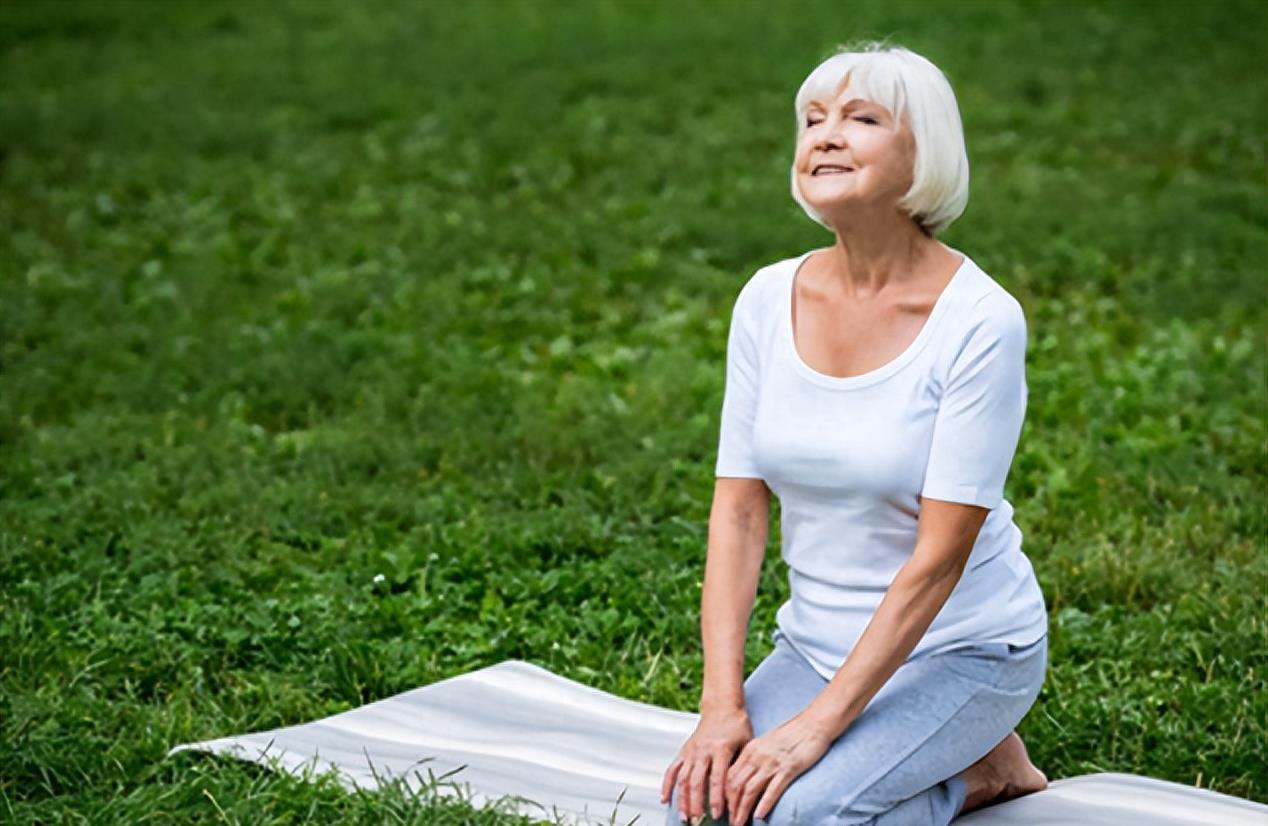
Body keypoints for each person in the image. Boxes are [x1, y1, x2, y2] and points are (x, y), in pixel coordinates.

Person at [660, 41, 1052, 826]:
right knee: (698, 815)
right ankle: (970, 763)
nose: (826, 135)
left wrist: (816, 729)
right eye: (813, 119)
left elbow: (939, 557)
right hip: (815, 643)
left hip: (964, 650)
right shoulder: (769, 298)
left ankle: (977, 775)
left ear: (924, 154)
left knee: (806, 816)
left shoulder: (979, 320)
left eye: (861, 118)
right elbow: (737, 512)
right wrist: (721, 708)